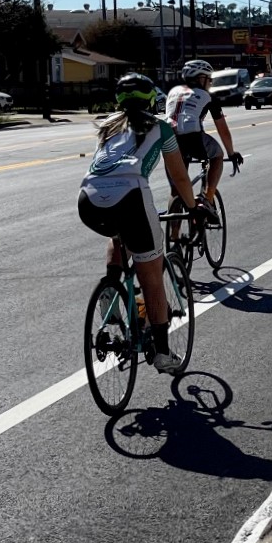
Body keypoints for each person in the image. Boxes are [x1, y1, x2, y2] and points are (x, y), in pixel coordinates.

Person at [78, 73, 208, 373]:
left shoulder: (108, 125)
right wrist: (193, 208)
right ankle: (162, 352)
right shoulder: (160, 127)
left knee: (117, 234)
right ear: (151, 99)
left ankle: (111, 287)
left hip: (88, 198)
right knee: (152, 275)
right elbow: (179, 176)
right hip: (132, 196)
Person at [164, 60, 243, 220]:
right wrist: (231, 152)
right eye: (209, 78)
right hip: (192, 138)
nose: (210, 82)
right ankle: (207, 199)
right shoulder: (207, 96)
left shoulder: (173, 92)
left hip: (169, 139)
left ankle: (175, 239)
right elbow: (222, 129)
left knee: (176, 191)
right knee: (217, 155)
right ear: (200, 78)